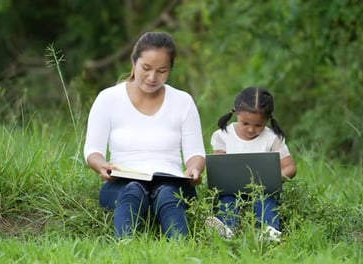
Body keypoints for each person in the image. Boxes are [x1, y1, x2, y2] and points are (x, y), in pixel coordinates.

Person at [83, 32, 205, 240]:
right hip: (122, 183)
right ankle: (125, 249)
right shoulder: (108, 98)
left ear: (170, 70)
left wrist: (194, 168)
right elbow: (92, 150)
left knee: (167, 193)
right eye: (146, 68)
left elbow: (196, 153)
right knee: (133, 191)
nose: (152, 78)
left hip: (171, 181)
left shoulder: (183, 101)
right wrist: (101, 165)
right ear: (134, 61)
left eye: (161, 71)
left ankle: (182, 251)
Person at [206, 86, 297, 242]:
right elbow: (219, 166)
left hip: (263, 189)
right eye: (245, 123)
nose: (251, 129)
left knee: (266, 201)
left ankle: (270, 231)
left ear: (268, 120)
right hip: (232, 189)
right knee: (228, 199)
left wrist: (275, 177)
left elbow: (290, 167)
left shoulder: (272, 138)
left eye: (258, 125)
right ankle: (227, 229)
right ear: (236, 113)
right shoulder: (223, 135)